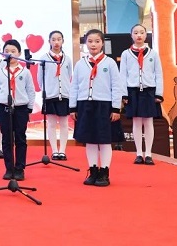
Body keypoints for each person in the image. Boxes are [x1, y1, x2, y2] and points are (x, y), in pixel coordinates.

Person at [70, 29, 123, 187]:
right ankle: (93, 171)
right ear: (85, 43)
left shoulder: (110, 63)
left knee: (104, 140)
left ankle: (104, 172)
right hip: (85, 104)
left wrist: (115, 108)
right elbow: (74, 86)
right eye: (90, 41)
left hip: (104, 105)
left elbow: (116, 86)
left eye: (97, 41)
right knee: (90, 140)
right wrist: (73, 107)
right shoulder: (80, 64)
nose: (93, 44)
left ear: (102, 43)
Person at [120, 24, 163, 165]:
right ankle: (138, 153)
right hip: (133, 91)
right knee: (136, 122)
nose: (139, 35)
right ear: (131, 35)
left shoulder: (153, 54)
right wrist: (124, 94)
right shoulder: (126, 54)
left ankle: (148, 154)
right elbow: (122, 75)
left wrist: (158, 93)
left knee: (149, 122)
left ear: (146, 35)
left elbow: (158, 74)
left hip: (149, 91)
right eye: (136, 32)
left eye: (142, 32)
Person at [0, 39, 35, 181]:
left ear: (19, 53)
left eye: (13, 51)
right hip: (4, 108)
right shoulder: (0, 72)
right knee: (6, 139)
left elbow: (30, 91)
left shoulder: (25, 72)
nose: (10, 54)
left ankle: (19, 169)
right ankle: (9, 168)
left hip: (21, 109)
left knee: (20, 138)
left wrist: (29, 108)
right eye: (6, 51)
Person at [37, 30, 73, 161]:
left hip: (64, 95)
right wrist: (47, 90)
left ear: (63, 41)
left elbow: (69, 76)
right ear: (49, 41)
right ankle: (54, 150)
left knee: (64, 124)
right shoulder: (44, 58)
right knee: (51, 124)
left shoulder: (67, 59)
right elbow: (40, 78)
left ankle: (62, 150)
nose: (56, 42)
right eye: (53, 39)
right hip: (50, 96)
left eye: (59, 39)